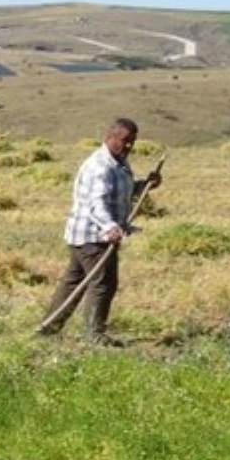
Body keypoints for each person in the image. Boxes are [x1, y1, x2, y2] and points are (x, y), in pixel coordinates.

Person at [40, 117, 162, 345]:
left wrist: (145, 185)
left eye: (132, 142)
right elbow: (96, 204)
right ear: (110, 137)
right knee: (103, 282)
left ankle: (50, 327)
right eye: (124, 140)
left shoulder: (118, 163)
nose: (128, 146)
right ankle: (93, 334)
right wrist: (110, 227)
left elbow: (120, 191)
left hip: (86, 234)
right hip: (92, 235)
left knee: (74, 281)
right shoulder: (100, 167)